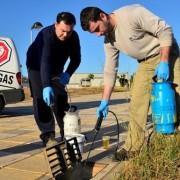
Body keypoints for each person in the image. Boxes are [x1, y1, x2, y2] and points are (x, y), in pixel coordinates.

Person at [80, 4, 180, 160]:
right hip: (145, 63)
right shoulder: (108, 40)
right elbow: (110, 70)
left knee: (174, 99)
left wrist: (164, 61)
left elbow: (165, 30)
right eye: (94, 33)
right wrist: (105, 101)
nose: (98, 35)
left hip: (167, 54)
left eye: (97, 29)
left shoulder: (132, 14)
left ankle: (173, 143)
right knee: (136, 104)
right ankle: (133, 147)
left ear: (102, 16)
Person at [26, 12, 81, 146]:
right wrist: (46, 85)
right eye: (63, 31)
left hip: (57, 68)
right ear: (56, 25)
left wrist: (68, 73)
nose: (65, 35)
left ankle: (67, 131)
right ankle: (48, 135)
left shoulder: (73, 37)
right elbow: (45, 61)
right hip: (36, 66)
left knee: (61, 98)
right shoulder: (46, 35)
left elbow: (76, 59)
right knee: (41, 99)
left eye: (69, 31)